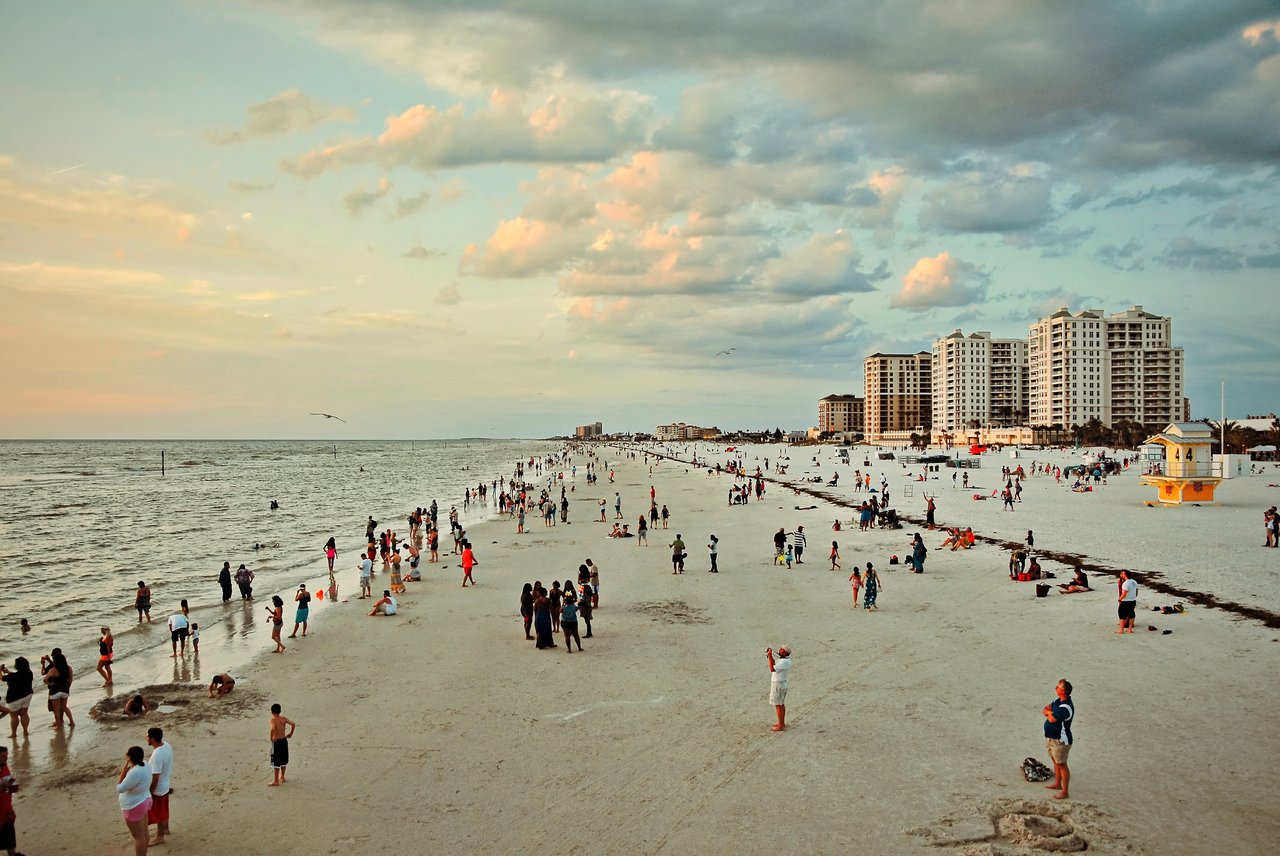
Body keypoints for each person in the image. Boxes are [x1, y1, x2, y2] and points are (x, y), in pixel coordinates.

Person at [1042, 679, 1075, 800]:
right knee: (1055, 761)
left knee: (1061, 764)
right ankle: (1057, 784)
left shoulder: (1066, 707)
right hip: (1051, 737)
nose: (1055, 688)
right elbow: (1045, 710)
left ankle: (1065, 791)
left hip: (1060, 740)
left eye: (1058, 687)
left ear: (1063, 691)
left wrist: (1049, 713)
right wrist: (1050, 712)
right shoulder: (1057, 701)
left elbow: (1051, 719)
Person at [117, 745, 151, 856]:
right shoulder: (146, 764)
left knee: (138, 836)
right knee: (144, 832)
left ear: (130, 758)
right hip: (145, 800)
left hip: (134, 806)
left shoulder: (134, 772)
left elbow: (120, 788)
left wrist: (124, 771)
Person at [146, 727, 172, 845]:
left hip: (159, 788)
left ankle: (160, 836)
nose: (146, 738)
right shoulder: (166, 745)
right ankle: (165, 829)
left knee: (159, 813)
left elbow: (155, 777)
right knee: (164, 809)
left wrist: (150, 791)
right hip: (165, 784)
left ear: (152, 739)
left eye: (147, 736)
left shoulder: (156, 755)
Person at [40, 649, 74, 728]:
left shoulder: (53, 670)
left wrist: (50, 684)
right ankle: (72, 722)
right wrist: (67, 687)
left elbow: (45, 679)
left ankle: (59, 726)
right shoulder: (68, 668)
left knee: (56, 710)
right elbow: (71, 679)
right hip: (65, 690)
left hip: (55, 691)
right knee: (64, 707)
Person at [1, 659, 34, 738]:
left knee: (14, 716)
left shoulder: (13, 676)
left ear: (17, 666)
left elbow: (1, 678)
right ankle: (25, 731)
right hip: (28, 695)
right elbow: (16, 676)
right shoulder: (29, 673)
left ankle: (14, 733)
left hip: (14, 698)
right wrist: (8, 672)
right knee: (24, 713)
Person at [268, 703, 296, 786]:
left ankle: (276, 780)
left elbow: (273, 728)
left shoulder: (273, 720)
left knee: (276, 761)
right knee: (283, 759)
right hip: (284, 740)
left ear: (272, 712)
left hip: (277, 741)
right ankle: (282, 777)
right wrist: (291, 733)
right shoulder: (283, 719)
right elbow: (293, 724)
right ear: (280, 711)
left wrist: (271, 737)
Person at [0, 745, 19, 856]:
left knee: (10, 842)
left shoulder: (4, 766)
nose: (5, 758)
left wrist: (11, 787)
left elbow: (6, 782)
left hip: (6, 811)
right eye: (2, 756)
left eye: (6, 756)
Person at [766, 646, 791, 732]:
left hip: (778, 685)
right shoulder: (784, 660)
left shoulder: (784, 662)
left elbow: (772, 668)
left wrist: (769, 655)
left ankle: (780, 725)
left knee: (778, 705)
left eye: (782, 650)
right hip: (781, 684)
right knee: (781, 704)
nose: (780, 650)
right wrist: (770, 656)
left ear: (785, 653)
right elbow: (773, 663)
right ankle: (782, 723)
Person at [1117, 570, 1137, 634]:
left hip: (1126, 601)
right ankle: (1130, 629)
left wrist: (1120, 599)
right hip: (1133, 601)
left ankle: (1121, 630)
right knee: (1131, 614)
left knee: (1122, 615)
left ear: (1125, 575)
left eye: (1122, 574)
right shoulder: (1134, 581)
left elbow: (1124, 593)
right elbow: (1136, 591)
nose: (1121, 575)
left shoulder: (1125, 583)